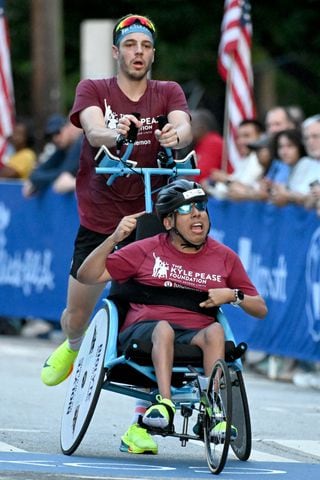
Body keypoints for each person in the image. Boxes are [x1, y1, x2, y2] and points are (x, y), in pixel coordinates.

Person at [40, 13, 192, 453]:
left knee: (149, 321)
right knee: (78, 313)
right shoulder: (95, 89)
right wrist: (116, 131)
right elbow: (92, 129)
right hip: (101, 219)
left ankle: (143, 424)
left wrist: (174, 137)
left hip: (151, 221)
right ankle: (71, 344)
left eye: (145, 46)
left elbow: (183, 127)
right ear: (117, 51)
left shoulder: (167, 93)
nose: (138, 52)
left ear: (153, 53)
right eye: (130, 45)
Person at [77, 179, 267, 453]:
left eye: (201, 206)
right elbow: (87, 276)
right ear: (168, 223)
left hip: (194, 334)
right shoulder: (146, 249)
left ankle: (212, 410)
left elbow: (260, 308)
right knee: (163, 329)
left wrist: (233, 295)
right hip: (144, 330)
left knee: (215, 331)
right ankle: (164, 404)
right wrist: (114, 239)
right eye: (186, 209)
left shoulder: (225, 257)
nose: (197, 213)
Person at [23, 114, 82, 197]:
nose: (55, 138)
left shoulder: (81, 144)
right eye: (51, 136)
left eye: (58, 132)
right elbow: (35, 174)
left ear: (68, 128)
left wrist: (38, 181)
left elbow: (63, 173)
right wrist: (35, 181)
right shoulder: (61, 150)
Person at [206, 119, 265, 199]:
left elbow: (243, 187)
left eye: (246, 136)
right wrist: (210, 186)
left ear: (261, 137)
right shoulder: (245, 159)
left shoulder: (260, 159)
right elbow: (226, 191)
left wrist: (225, 179)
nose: (240, 141)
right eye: (238, 137)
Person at [189, 108, 226, 185]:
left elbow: (200, 174)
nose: (186, 129)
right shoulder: (201, 143)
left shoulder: (213, 142)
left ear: (201, 128)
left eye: (190, 125)